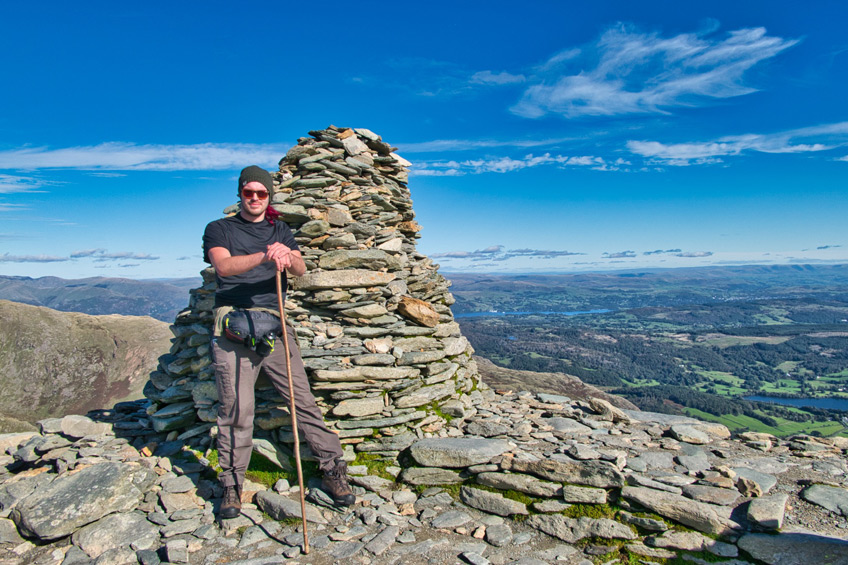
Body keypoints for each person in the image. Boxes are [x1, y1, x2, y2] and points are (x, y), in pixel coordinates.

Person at [203, 165, 355, 519]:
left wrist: (290, 257)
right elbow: (223, 268)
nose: (255, 198)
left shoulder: (279, 229)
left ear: (269, 196)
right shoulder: (219, 229)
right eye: (248, 192)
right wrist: (266, 256)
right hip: (233, 328)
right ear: (240, 193)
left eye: (261, 193)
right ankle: (231, 485)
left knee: (302, 401)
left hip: (274, 325)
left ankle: (333, 469)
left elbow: (300, 270)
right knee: (236, 409)